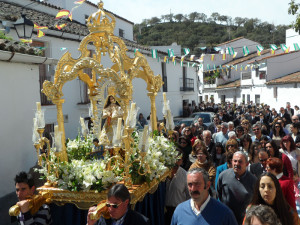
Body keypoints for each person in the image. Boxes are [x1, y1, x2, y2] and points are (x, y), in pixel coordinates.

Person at [171, 168, 238, 225]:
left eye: (197, 184)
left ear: (208, 185)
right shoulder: (180, 211)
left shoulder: (224, 214)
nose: (193, 189)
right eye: (190, 184)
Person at [217, 151, 257, 224]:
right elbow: (219, 194)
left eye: (240, 162)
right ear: (231, 161)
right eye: (235, 161)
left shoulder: (253, 181)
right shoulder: (223, 176)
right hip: (225, 219)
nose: (236, 164)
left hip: (244, 221)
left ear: (247, 164)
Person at [165, 157, 190, 225]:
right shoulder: (163, 173)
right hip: (163, 210)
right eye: (174, 158)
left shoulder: (185, 175)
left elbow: (189, 195)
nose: (176, 161)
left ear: (182, 161)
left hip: (178, 209)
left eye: (178, 159)